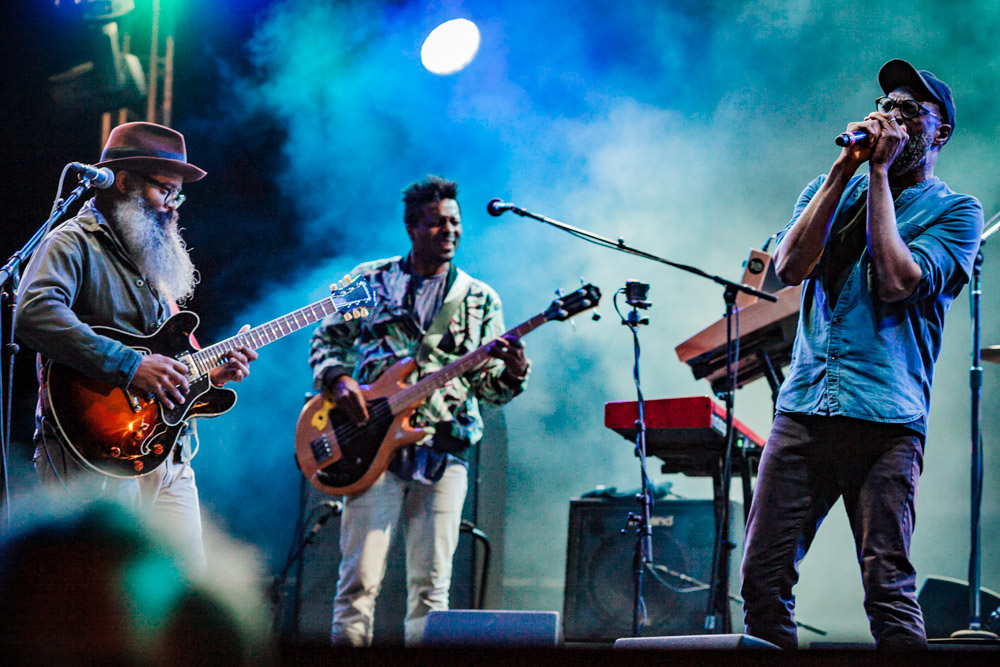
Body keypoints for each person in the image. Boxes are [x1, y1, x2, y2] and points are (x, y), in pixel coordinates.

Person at [740, 59, 984, 649]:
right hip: (804, 409)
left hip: (886, 419)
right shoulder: (826, 189)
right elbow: (788, 268)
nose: (891, 116)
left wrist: (877, 172)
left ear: (941, 133)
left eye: (909, 111)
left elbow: (898, 281)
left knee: (887, 586)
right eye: (886, 105)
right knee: (762, 581)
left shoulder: (957, 211)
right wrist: (842, 169)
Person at [16, 122, 258, 571]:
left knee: (187, 593)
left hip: (168, 451)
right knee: (104, 590)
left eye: (178, 196)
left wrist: (210, 375)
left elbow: (167, 361)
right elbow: (34, 313)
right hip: (94, 452)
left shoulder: (150, 257)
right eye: (165, 190)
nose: (172, 206)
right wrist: (130, 366)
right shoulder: (73, 241)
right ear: (124, 181)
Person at [309, 175, 530, 645]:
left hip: (443, 449)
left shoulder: (481, 298)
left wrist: (514, 372)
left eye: (454, 222)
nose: (449, 231)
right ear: (411, 228)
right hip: (370, 447)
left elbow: (488, 390)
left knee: (432, 591)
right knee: (357, 584)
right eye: (436, 223)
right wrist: (339, 379)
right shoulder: (368, 280)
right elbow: (326, 337)